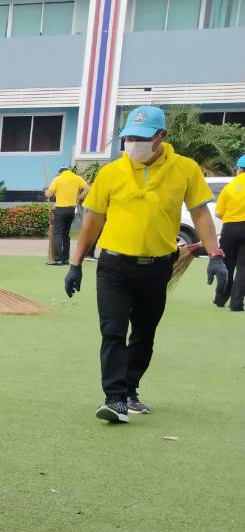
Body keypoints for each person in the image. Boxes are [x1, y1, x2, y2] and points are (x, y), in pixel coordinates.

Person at [64, 105, 225, 423]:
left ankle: (130, 390)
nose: (132, 143)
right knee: (112, 331)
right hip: (113, 265)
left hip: (157, 267)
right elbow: (93, 221)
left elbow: (200, 214)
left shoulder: (185, 169)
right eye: (128, 137)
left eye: (141, 137)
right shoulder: (111, 172)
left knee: (144, 333)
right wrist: (76, 263)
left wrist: (215, 254)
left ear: (162, 136)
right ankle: (113, 398)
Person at [44, 163, 90, 266]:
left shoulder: (57, 179)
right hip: (71, 209)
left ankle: (58, 259)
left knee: (58, 234)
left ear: (60, 172)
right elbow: (87, 188)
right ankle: (65, 259)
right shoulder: (77, 178)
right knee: (66, 234)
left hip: (60, 209)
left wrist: (46, 191)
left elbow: (49, 194)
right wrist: (78, 198)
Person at [217, 155, 245, 311]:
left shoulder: (229, 187)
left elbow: (219, 213)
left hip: (229, 228)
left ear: (239, 169)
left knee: (227, 264)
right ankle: (236, 303)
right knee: (244, 268)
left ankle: (220, 299)